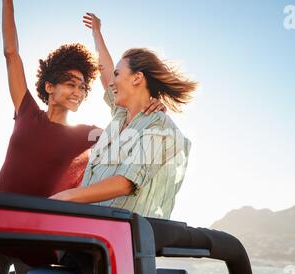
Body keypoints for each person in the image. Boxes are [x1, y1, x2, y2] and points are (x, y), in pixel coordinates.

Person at [0, 2, 164, 274]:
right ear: (49, 86)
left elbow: (119, 102)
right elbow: (11, 54)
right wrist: (7, 4)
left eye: (83, 87)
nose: (78, 92)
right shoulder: (26, 111)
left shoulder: (87, 135)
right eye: (71, 84)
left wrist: (146, 105)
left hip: (36, 246)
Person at [49, 13, 197, 220]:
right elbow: (105, 70)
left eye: (118, 74)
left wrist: (65, 198)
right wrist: (96, 32)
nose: (112, 82)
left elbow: (125, 183)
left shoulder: (160, 126)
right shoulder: (119, 116)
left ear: (137, 78)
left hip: (121, 244)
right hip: (88, 231)